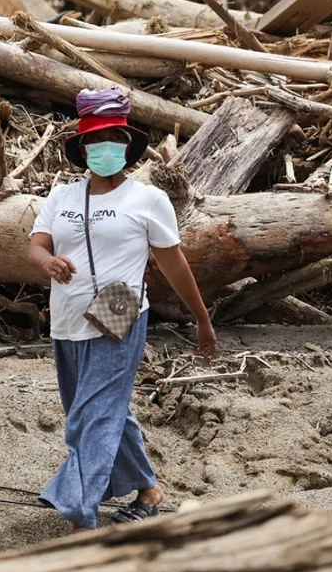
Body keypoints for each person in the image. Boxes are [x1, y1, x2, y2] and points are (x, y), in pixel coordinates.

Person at [26, 88, 216, 533]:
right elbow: (35, 247)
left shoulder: (148, 200)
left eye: (112, 137)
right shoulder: (62, 198)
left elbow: (173, 263)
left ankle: (79, 510)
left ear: (127, 145)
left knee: (91, 415)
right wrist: (49, 262)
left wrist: (202, 320)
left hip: (119, 306)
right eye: (95, 139)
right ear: (83, 148)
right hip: (67, 316)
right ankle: (148, 488)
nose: (103, 147)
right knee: (103, 407)